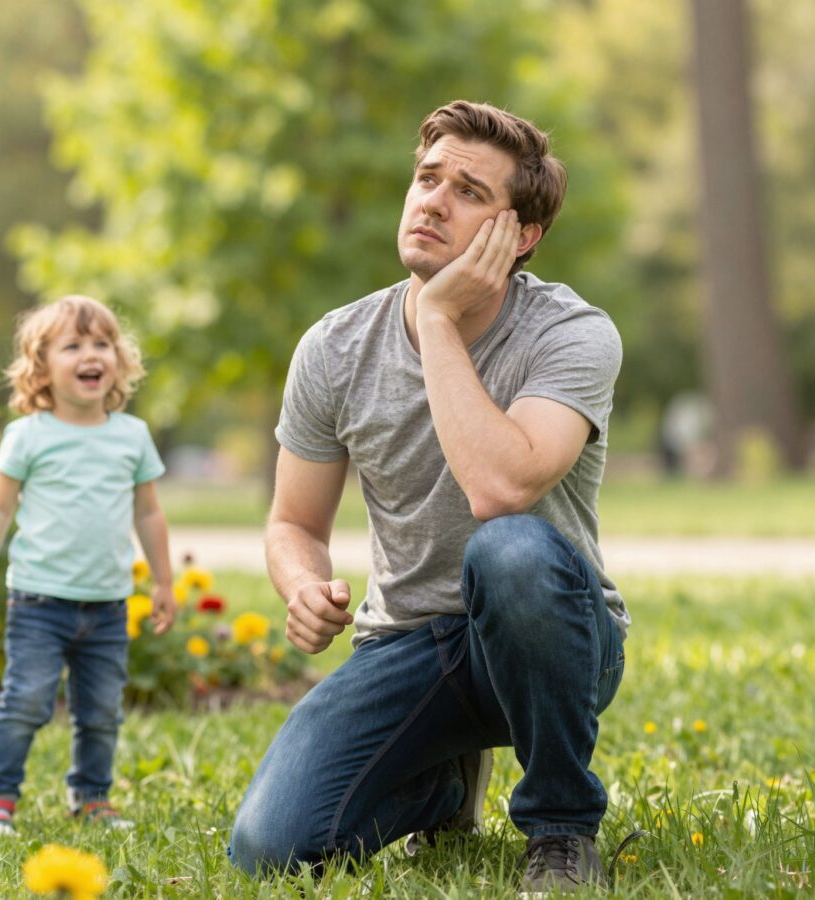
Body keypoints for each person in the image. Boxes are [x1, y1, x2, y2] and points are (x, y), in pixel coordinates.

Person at [229, 101, 630, 895]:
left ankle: (559, 828)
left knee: (509, 550)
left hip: (552, 638)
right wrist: (302, 582)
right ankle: (442, 787)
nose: (433, 201)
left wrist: (440, 320)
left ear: (521, 237)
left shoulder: (573, 335)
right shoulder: (335, 346)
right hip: (406, 644)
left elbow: (501, 487)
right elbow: (293, 522)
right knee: (270, 851)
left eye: (470, 192)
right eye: (426, 179)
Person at [0, 295, 175, 837]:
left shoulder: (132, 435)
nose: (92, 355)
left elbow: (148, 513)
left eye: (102, 344)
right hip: (39, 602)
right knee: (27, 700)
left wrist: (164, 581)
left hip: (107, 605)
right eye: (74, 345)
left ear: (119, 360)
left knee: (102, 711)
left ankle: (91, 796)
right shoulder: (29, 435)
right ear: (42, 367)